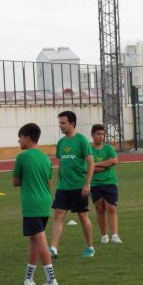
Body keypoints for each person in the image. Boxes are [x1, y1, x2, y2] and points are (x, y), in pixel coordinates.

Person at [12, 123, 58, 285]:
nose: (19, 140)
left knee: (40, 239)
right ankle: (28, 279)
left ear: (28, 138)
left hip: (31, 203)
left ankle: (51, 279)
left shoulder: (22, 157)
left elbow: (15, 181)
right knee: (34, 240)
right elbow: (49, 182)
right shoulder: (45, 158)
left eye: (20, 137)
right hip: (45, 201)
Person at [50, 111, 96, 259]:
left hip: (79, 186)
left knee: (82, 216)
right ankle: (53, 248)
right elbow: (61, 164)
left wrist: (87, 184)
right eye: (59, 123)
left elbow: (91, 163)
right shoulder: (61, 143)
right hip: (63, 187)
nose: (60, 126)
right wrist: (58, 183)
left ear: (72, 124)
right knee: (58, 214)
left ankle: (90, 247)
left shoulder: (82, 141)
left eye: (63, 123)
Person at [90, 124, 122, 245]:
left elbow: (114, 161)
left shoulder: (108, 148)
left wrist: (97, 165)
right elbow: (88, 168)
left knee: (111, 208)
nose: (101, 136)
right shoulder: (88, 149)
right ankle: (104, 236)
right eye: (98, 134)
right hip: (94, 184)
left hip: (110, 182)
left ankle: (114, 235)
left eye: (103, 134)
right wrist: (104, 165)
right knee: (99, 209)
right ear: (92, 135)